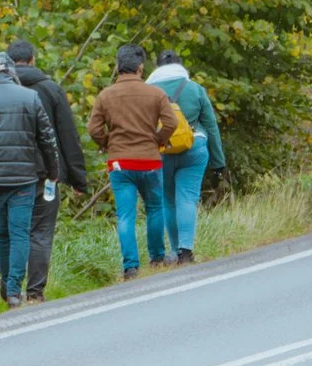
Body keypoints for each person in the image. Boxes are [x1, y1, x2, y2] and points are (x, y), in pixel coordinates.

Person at [86, 45, 187, 280]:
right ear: (140, 68)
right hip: (149, 160)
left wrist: (107, 142)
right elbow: (171, 123)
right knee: (154, 208)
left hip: (120, 162)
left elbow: (93, 129)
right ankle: (157, 257)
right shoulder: (155, 94)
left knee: (125, 215)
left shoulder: (105, 95)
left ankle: (130, 266)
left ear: (117, 67)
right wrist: (157, 141)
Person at [0, 52, 57, 303]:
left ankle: (7, 284)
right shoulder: (30, 97)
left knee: (1, 234)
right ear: (10, 71)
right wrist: (53, 171)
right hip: (24, 178)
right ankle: (15, 289)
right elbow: (47, 139)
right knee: (20, 233)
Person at [8, 39, 90, 301]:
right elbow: (68, 136)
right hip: (45, 174)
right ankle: (35, 292)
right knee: (41, 231)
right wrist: (78, 179)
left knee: (12, 231)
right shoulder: (51, 89)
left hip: (7, 173)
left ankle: (11, 291)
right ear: (32, 59)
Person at [145, 53, 226, 265]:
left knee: (168, 201)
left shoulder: (147, 91)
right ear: (180, 66)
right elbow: (211, 126)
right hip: (194, 146)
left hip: (161, 149)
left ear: (157, 67)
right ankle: (186, 251)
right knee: (187, 198)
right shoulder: (194, 88)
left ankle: (173, 250)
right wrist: (219, 162)